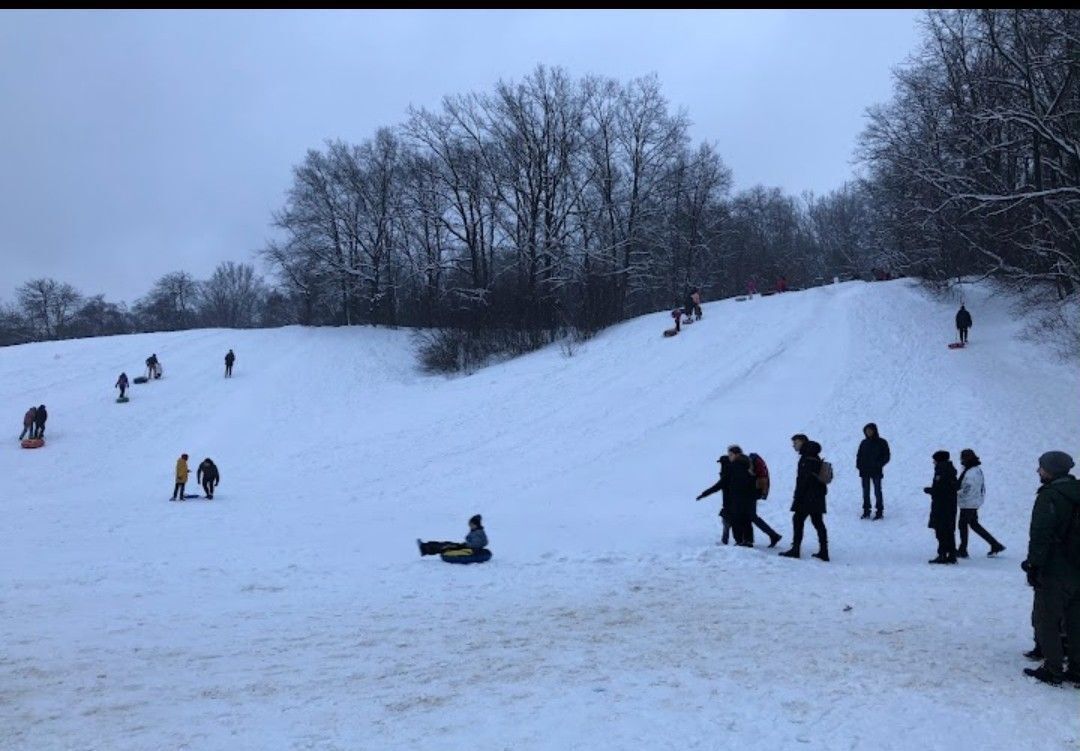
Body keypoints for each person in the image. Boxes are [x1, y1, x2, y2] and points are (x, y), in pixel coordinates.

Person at [1021, 451, 1080, 686]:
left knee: (1048, 619)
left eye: (1041, 467)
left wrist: (1034, 564)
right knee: (1075, 620)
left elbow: (1041, 534)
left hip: (1056, 568)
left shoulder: (1050, 496)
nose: (1038, 471)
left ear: (1051, 470)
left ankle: (1053, 668)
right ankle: (1076, 668)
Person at [780, 435, 829, 561]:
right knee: (818, 522)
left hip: (807, 496)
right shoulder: (814, 455)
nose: (794, 445)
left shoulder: (806, 458)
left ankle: (795, 550)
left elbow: (804, 479)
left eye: (795, 442)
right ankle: (824, 551)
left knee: (798, 519)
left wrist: (798, 496)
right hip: (817, 495)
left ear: (802, 442)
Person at [697, 447, 759, 546]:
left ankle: (739, 541)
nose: (729, 457)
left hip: (736, 499)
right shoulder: (747, 464)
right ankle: (748, 540)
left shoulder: (732, 467)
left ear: (736, 454)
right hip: (748, 498)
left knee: (736, 520)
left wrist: (704, 494)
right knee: (746, 519)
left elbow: (721, 484)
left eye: (730, 454)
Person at [956, 449, 1005, 558]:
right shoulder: (974, 469)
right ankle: (995, 544)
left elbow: (967, 489)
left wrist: (956, 493)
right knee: (974, 525)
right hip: (973, 502)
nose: (961, 460)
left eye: (962, 458)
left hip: (968, 503)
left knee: (963, 525)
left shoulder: (971, 472)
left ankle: (963, 550)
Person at [924, 450, 959, 564]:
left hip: (942, 506)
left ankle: (942, 554)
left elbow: (940, 489)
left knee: (941, 530)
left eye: (934, 460)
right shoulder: (950, 470)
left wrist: (930, 490)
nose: (933, 462)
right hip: (950, 505)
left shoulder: (941, 471)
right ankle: (952, 554)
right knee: (949, 530)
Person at [856, 423, 890, 519]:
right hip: (864, 471)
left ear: (874, 430)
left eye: (870, 430)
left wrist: (878, 464)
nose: (868, 432)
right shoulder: (863, 442)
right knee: (865, 492)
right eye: (867, 430)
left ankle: (879, 512)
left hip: (876, 471)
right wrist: (859, 465)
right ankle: (866, 511)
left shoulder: (882, 442)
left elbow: (886, 456)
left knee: (877, 491)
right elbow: (859, 455)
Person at [418, 514, 488, 556]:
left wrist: (463, 545)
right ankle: (425, 546)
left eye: (470, 524)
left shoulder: (478, 533)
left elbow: (477, 544)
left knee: (446, 546)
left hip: (469, 550)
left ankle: (425, 549)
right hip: (466, 547)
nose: (469, 526)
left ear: (475, 525)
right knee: (446, 543)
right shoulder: (477, 531)